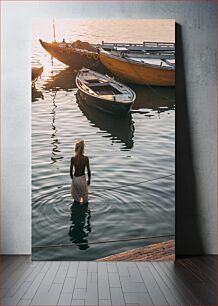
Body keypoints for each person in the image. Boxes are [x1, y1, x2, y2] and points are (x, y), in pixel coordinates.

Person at [70, 140, 91, 204]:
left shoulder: (73, 158)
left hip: (75, 179)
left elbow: (70, 172)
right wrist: (89, 180)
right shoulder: (86, 158)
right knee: (84, 199)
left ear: (75, 149)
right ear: (83, 149)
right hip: (82, 179)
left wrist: (73, 180)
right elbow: (88, 171)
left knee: (76, 199)